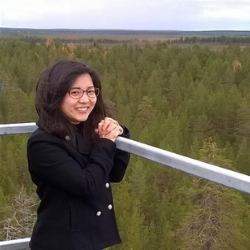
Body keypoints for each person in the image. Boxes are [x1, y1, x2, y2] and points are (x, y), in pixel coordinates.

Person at [27, 60, 130, 250]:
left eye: (91, 91)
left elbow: (114, 173)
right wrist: (106, 142)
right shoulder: (42, 143)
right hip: (60, 242)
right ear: (55, 96)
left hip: (88, 239)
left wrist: (118, 134)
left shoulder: (86, 130)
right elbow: (87, 185)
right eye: (75, 92)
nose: (85, 99)